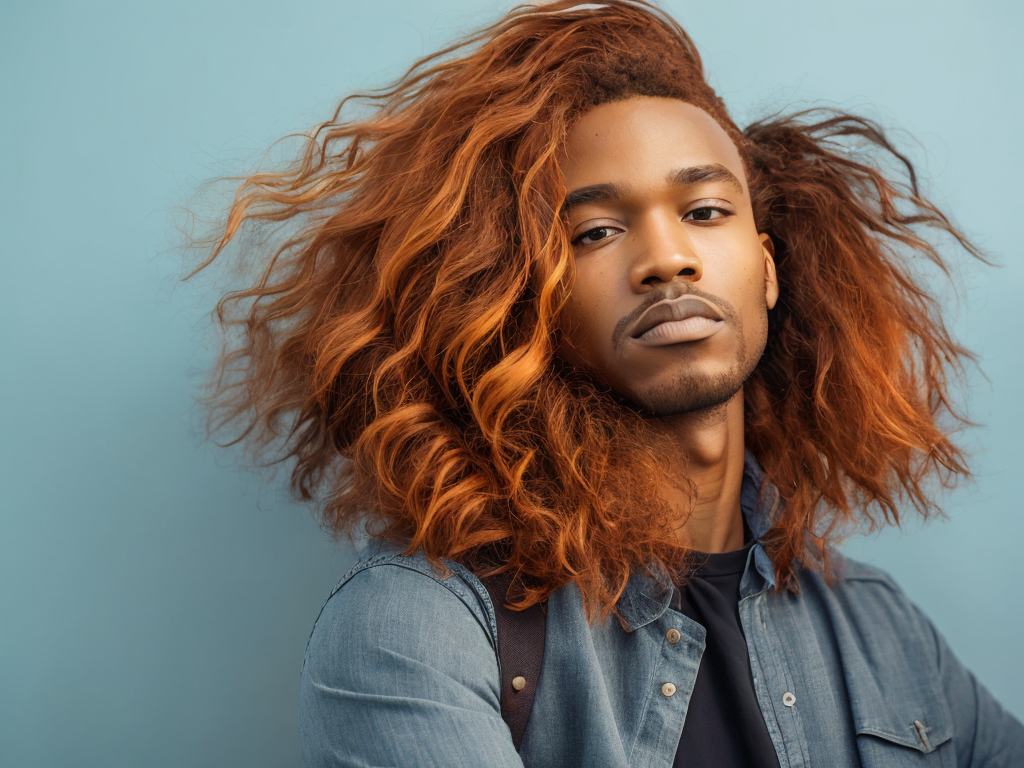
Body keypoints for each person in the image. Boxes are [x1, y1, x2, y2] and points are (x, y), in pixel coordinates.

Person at [184, 1, 1024, 765]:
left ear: (767, 270)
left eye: (704, 212)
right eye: (594, 231)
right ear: (524, 296)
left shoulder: (882, 629)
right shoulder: (418, 627)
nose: (666, 259)